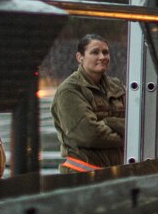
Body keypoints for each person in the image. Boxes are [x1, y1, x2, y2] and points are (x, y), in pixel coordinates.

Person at [52, 34, 127, 171]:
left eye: (105, 52)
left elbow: (136, 124)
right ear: (79, 57)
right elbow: (89, 135)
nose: (102, 57)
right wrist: (126, 136)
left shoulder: (116, 86)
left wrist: (108, 123)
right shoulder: (69, 90)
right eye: (94, 52)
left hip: (115, 174)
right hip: (81, 175)